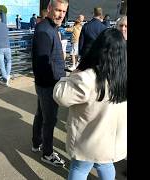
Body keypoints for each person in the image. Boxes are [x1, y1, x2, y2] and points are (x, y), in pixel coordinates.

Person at [53, 28, 127, 180]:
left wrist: (73, 74)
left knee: (79, 168)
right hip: (110, 142)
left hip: (89, 141)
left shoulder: (88, 78)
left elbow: (60, 96)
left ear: (98, 48)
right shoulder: (123, 77)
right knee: (105, 165)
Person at [31, 0, 68, 167]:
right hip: (49, 85)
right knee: (50, 120)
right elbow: (42, 64)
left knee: (41, 115)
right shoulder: (45, 30)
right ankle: (47, 153)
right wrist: (55, 87)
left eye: (64, 11)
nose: (61, 15)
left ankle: (36, 143)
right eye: (58, 10)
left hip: (47, 84)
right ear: (49, 9)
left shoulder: (49, 27)